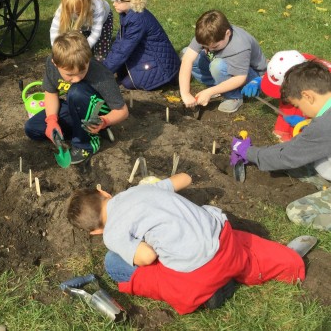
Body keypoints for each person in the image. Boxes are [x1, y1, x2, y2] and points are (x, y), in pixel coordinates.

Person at [67, 174, 306, 315]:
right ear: (106, 194)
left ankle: (212, 294)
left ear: (96, 231)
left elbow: (147, 257)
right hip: (225, 242)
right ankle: (229, 274)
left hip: (199, 273)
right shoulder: (140, 189)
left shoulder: (111, 234)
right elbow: (185, 178)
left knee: (113, 262)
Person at [24, 32, 128, 164]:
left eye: (82, 71)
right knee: (33, 128)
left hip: (98, 112)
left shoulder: (101, 75)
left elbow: (122, 111)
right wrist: (51, 120)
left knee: (77, 90)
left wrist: (104, 121)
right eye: (70, 75)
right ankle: (87, 131)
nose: (77, 78)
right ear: (55, 64)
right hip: (76, 106)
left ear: (88, 59)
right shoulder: (51, 65)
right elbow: (51, 93)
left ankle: (86, 143)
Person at [232, 60, 331, 185]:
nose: (302, 112)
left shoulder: (323, 126)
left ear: (307, 96)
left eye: (297, 105)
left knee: (297, 206)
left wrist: (247, 152)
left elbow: (287, 156)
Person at [179, 10, 267, 113]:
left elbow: (240, 78)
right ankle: (219, 86)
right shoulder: (206, 34)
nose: (210, 49)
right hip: (226, 65)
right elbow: (187, 59)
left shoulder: (240, 46)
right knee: (185, 53)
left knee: (217, 66)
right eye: (206, 47)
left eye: (215, 46)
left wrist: (209, 92)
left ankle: (234, 97)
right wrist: (185, 93)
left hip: (251, 77)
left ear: (227, 33)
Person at [102, 0, 180, 90]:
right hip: (151, 57)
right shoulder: (128, 14)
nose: (114, 4)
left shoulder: (137, 20)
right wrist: (105, 67)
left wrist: (102, 73)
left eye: (117, 1)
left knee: (127, 82)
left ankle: (168, 80)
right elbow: (119, 42)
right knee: (120, 72)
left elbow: (123, 50)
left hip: (163, 68)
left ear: (132, 0)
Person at [242, 50, 331, 142]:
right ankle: (284, 129)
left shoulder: (322, 85)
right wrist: (258, 81)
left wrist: (309, 124)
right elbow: (278, 73)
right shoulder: (293, 61)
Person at [49, 0, 113, 61]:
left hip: (103, 23)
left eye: (79, 11)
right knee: (79, 44)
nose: (75, 13)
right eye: (72, 11)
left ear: (87, 1)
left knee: (100, 52)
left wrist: (83, 51)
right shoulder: (63, 7)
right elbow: (54, 29)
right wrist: (56, 50)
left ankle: (100, 66)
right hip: (82, 24)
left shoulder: (98, 7)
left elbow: (96, 33)